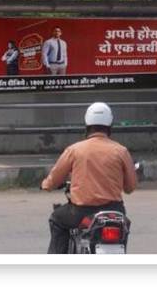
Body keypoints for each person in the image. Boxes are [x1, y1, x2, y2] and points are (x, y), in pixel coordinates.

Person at [41, 102, 137, 254]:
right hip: (114, 212)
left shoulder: (75, 150)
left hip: (80, 213)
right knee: (123, 229)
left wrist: (46, 185)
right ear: (110, 126)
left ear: (87, 125)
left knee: (57, 219)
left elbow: (54, 179)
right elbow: (130, 187)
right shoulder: (121, 151)